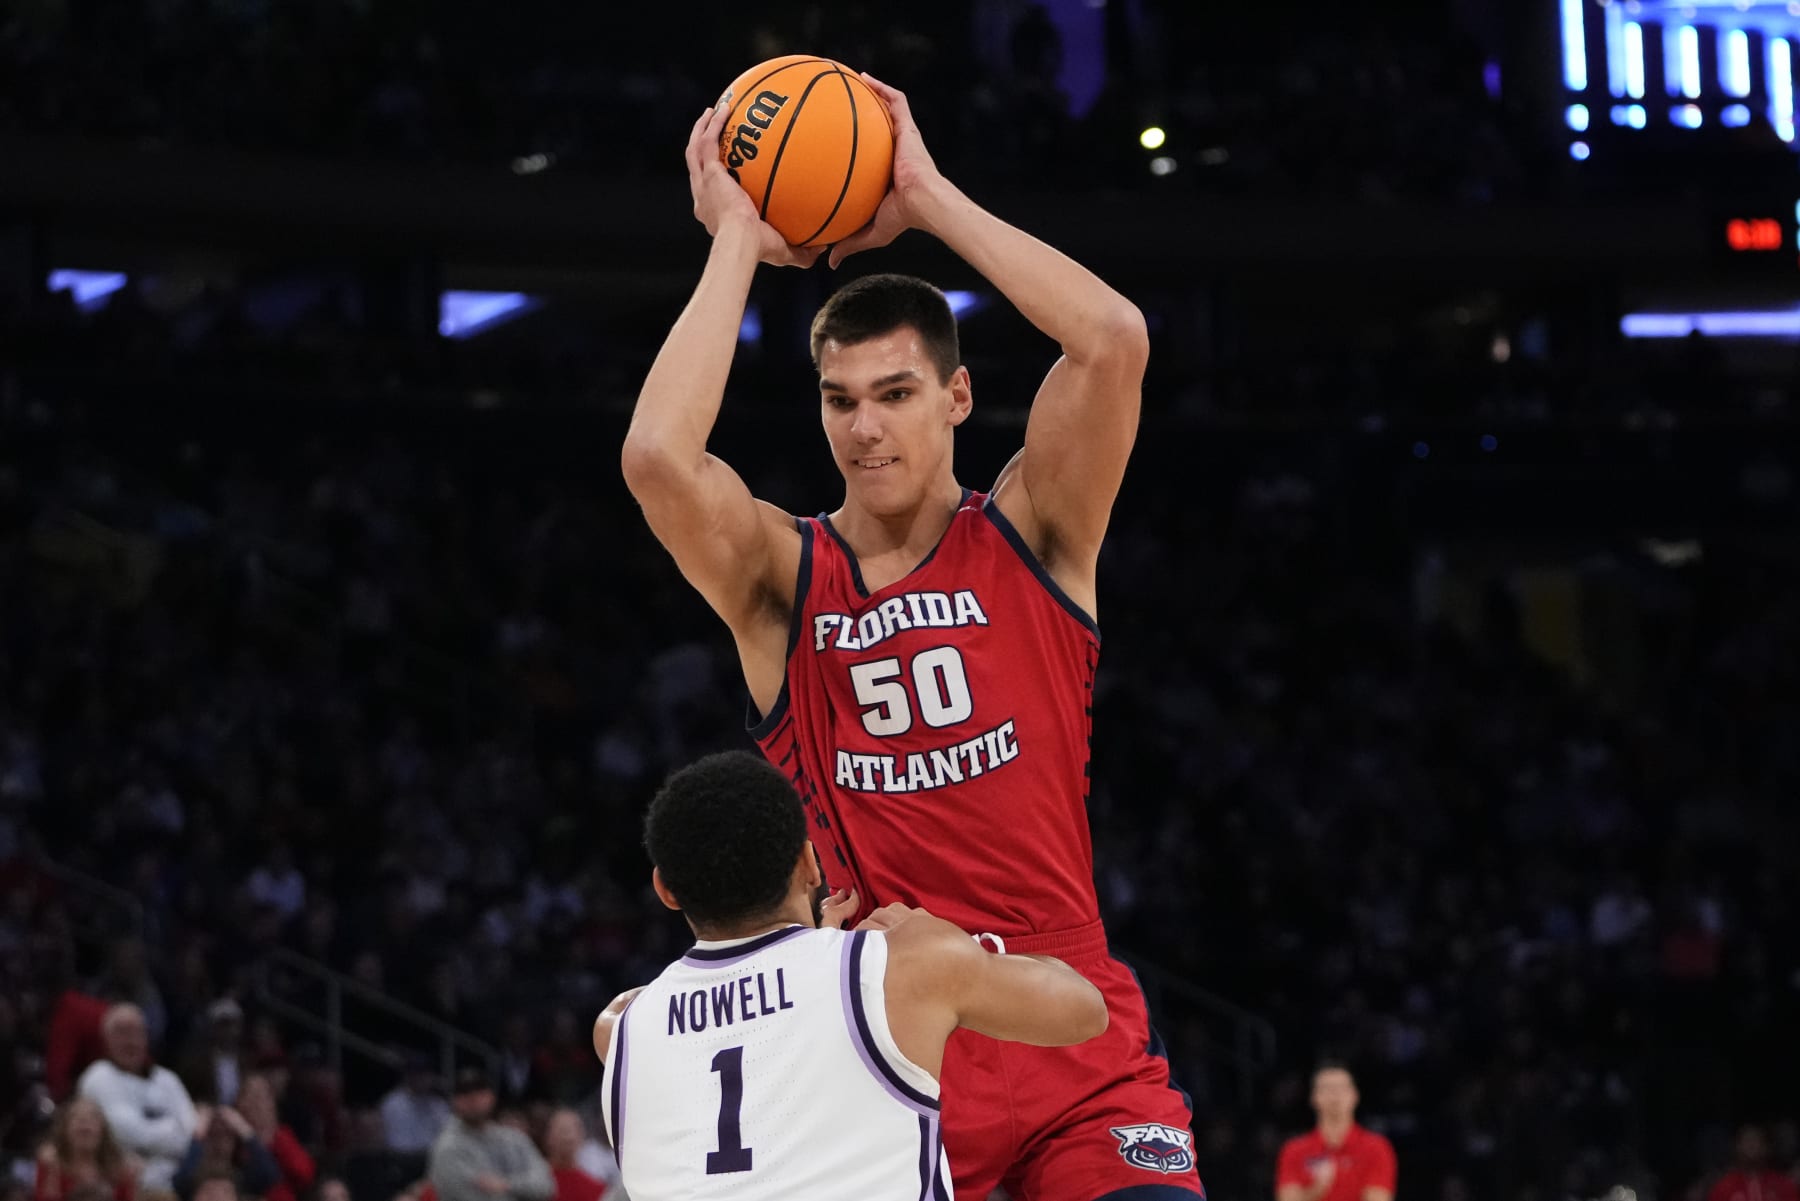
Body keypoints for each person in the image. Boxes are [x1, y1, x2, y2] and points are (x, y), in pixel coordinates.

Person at [621, 74, 1195, 1201]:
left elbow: (1113, 339)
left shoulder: (1036, 531)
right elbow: (656, 461)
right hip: (885, 1044)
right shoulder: (784, 578)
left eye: (894, 393)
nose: (865, 427)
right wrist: (737, 238)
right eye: (840, 400)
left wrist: (926, 196)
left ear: (958, 397)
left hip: (1067, 1012)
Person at [592, 751, 1108, 1201]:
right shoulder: (901, 967)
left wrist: (818, 950)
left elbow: (745, 1022)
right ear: (809, 862)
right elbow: (1085, 1010)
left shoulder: (619, 1029)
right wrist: (944, 939)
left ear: (665, 890)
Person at [77, 1005, 198, 1192]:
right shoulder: (98, 1077)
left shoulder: (168, 1079)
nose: (131, 1041)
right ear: (106, 1039)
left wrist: (163, 1135)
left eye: (137, 1033)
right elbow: (128, 1133)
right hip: (123, 1186)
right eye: (122, 1033)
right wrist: (173, 1130)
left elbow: (192, 1133)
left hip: (177, 1183)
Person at [426, 1068, 554, 1201]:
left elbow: (546, 1186)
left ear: (491, 1097)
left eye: (479, 1091)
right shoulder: (447, 1147)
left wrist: (507, 1185)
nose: (473, 1098)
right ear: (454, 1101)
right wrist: (524, 1190)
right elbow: (478, 1198)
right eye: (464, 1093)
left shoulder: (515, 1139)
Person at [1274, 1063, 1397, 1201]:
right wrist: (1317, 1189)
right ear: (1314, 1097)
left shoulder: (1376, 1147)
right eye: (1327, 1088)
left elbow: (1378, 1197)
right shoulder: (1294, 1150)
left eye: (1341, 1088)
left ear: (1355, 1096)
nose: (1335, 1095)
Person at [33, 1098, 138, 1201]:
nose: (84, 1121)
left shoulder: (119, 1170)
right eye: (76, 1117)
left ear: (103, 1130)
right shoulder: (51, 1164)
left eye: (93, 1117)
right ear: (64, 1130)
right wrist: (52, 1174)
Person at [1706, 1125, 1799, 1201]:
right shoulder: (1723, 1187)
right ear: (1737, 1147)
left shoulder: (1784, 1185)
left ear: (1767, 1148)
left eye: (1757, 1141)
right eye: (1747, 1141)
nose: (1752, 1146)